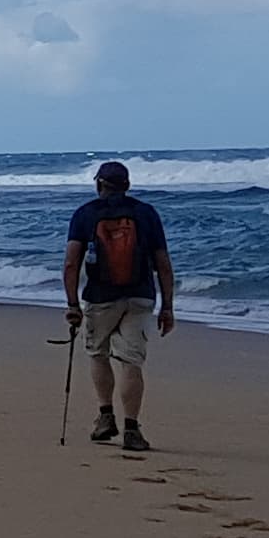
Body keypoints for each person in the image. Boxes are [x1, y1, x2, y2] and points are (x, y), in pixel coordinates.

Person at [61, 160, 176, 452]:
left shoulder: (86, 214)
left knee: (98, 354)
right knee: (131, 362)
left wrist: (73, 304)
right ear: (127, 185)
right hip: (140, 296)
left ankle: (105, 416)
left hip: (100, 298)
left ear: (99, 183)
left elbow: (72, 262)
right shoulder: (146, 213)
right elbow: (163, 264)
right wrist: (167, 307)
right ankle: (132, 429)